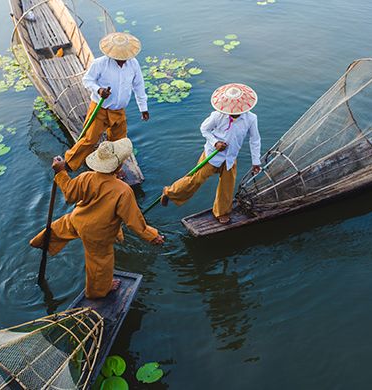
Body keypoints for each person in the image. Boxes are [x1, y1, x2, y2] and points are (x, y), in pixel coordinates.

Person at [31, 138, 164, 299]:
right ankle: (99, 290)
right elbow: (135, 222)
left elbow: (70, 194)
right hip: (98, 233)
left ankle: (41, 241)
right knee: (100, 262)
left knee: (60, 228)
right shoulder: (123, 191)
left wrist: (60, 172)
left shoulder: (86, 177)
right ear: (119, 166)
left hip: (77, 219)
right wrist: (152, 236)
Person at [161, 83, 262, 224]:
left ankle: (221, 212)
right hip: (212, 155)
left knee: (227, 187)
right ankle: (169, 192)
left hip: (230, 158)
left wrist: (255, 161)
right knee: (195, 180)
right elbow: (204, 129)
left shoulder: (251, 119)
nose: (233, 113)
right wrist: (216, 143)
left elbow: (255, 140)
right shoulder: (217, 116)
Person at [64, 32, 149, 172]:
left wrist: (143, 108)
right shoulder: (100, 63)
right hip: (100, 109)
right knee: (90, 139)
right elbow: (87, 80)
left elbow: (139, 86)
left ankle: (114, 170)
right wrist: (99, 90)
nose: (122, 61)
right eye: (119, 58)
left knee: (119, 143)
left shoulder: (133, 64)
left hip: (119, 111)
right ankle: (69, 164)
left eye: (125, 58)